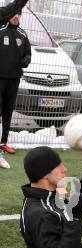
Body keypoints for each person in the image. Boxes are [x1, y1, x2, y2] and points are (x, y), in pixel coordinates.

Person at [0, 0, 31, 160]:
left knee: (8, 111)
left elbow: (28, 53)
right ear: (9, 15)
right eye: (14, 14)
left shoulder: (23, 35)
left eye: (19, 14)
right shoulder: (1, 30)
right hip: (0, 78)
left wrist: (26, 60)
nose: (16, 16)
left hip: (14, 78)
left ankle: (3, 142)